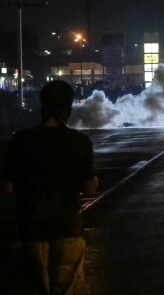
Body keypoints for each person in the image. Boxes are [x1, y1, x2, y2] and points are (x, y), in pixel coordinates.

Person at [2, 80, 98, 295]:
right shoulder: (80, 141)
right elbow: (91, 190)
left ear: (42, 106)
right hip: (67, 230)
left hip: (32, 231)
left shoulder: (21, 141)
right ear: (69, 108)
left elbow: (7, 188)